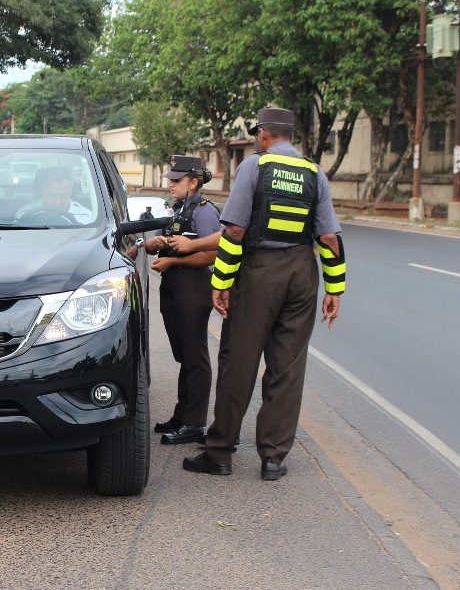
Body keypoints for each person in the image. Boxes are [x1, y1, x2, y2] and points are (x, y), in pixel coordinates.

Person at [181, 107, 346, 481]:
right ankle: (273, 457)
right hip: (303, 272)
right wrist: (335, 288)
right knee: (287, 366)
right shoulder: (314, 172)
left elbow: (235, 231)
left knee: (239, 359)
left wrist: (221, 281)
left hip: (260, 271)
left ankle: (220, 451)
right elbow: (329, 238)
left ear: (264, 135)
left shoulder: (255, 168)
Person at [142, 155, 222, 445]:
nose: (171, 185)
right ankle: (182, 414)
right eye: (171, 180)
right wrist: (156, 244)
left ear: (194, 182)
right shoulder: (177, 209)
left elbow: (215, 252)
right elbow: (154, 245)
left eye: (177, 181)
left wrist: (174, 262)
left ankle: (194, 422)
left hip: (192, 285)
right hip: (173, 285)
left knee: (194, 354)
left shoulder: (204, 211)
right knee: (183, 354)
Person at [15, 167, 93, 223]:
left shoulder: (86, 217)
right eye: (52, 196)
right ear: (42, 190)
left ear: (70, 190)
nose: (58, 202)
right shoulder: (24, 214)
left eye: (63, 196)